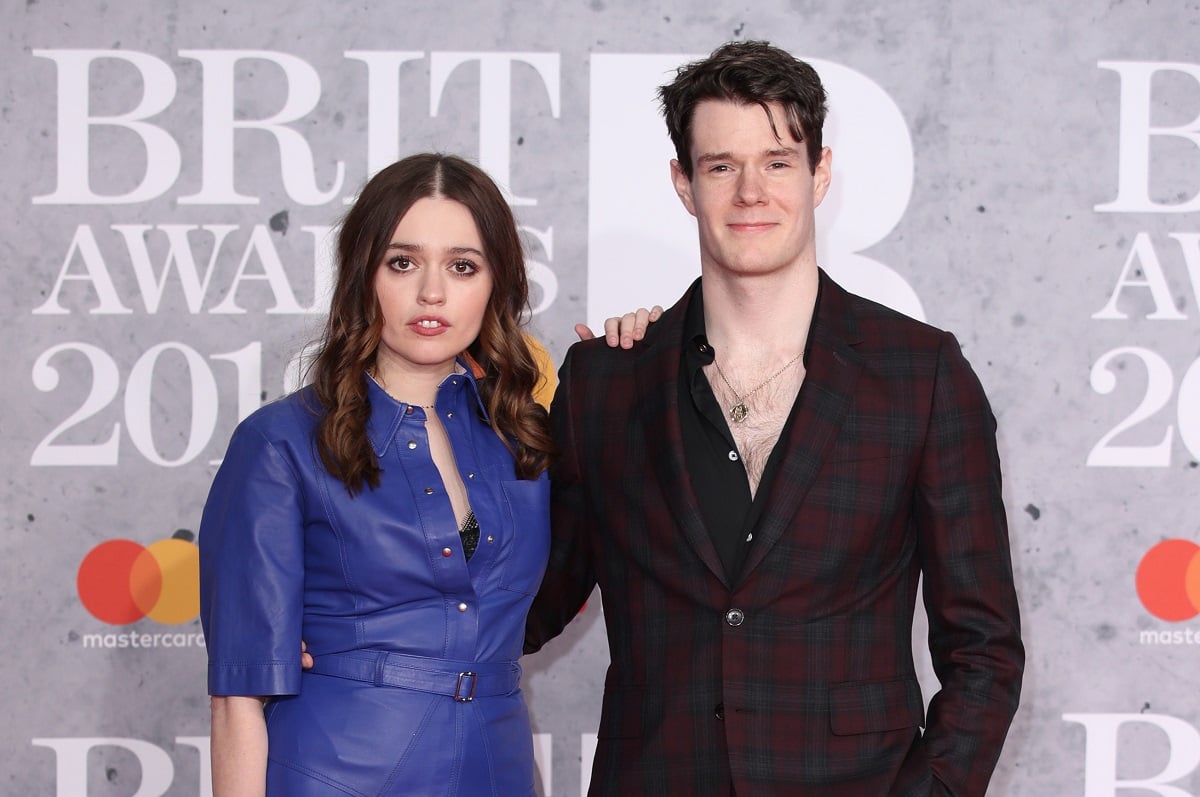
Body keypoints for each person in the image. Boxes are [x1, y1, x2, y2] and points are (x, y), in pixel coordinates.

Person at [524, 41, 1024, 796]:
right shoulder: (606, 382)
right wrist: (334, 616)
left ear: (820, 173)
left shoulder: (920, 375)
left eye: (778, 161)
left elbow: (984, 648)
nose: (751, 191)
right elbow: (526, 600)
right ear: (684, 184)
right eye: (722, 165)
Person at [199, 152, 648, 796]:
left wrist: (648, 356)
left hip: (498, 770)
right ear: (363, 274)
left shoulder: (524, 440)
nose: (431, 292)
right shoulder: (280, 444)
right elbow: (237, 699)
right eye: (402, 263)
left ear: (498, 284)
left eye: (462, 266)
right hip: (336, 772)